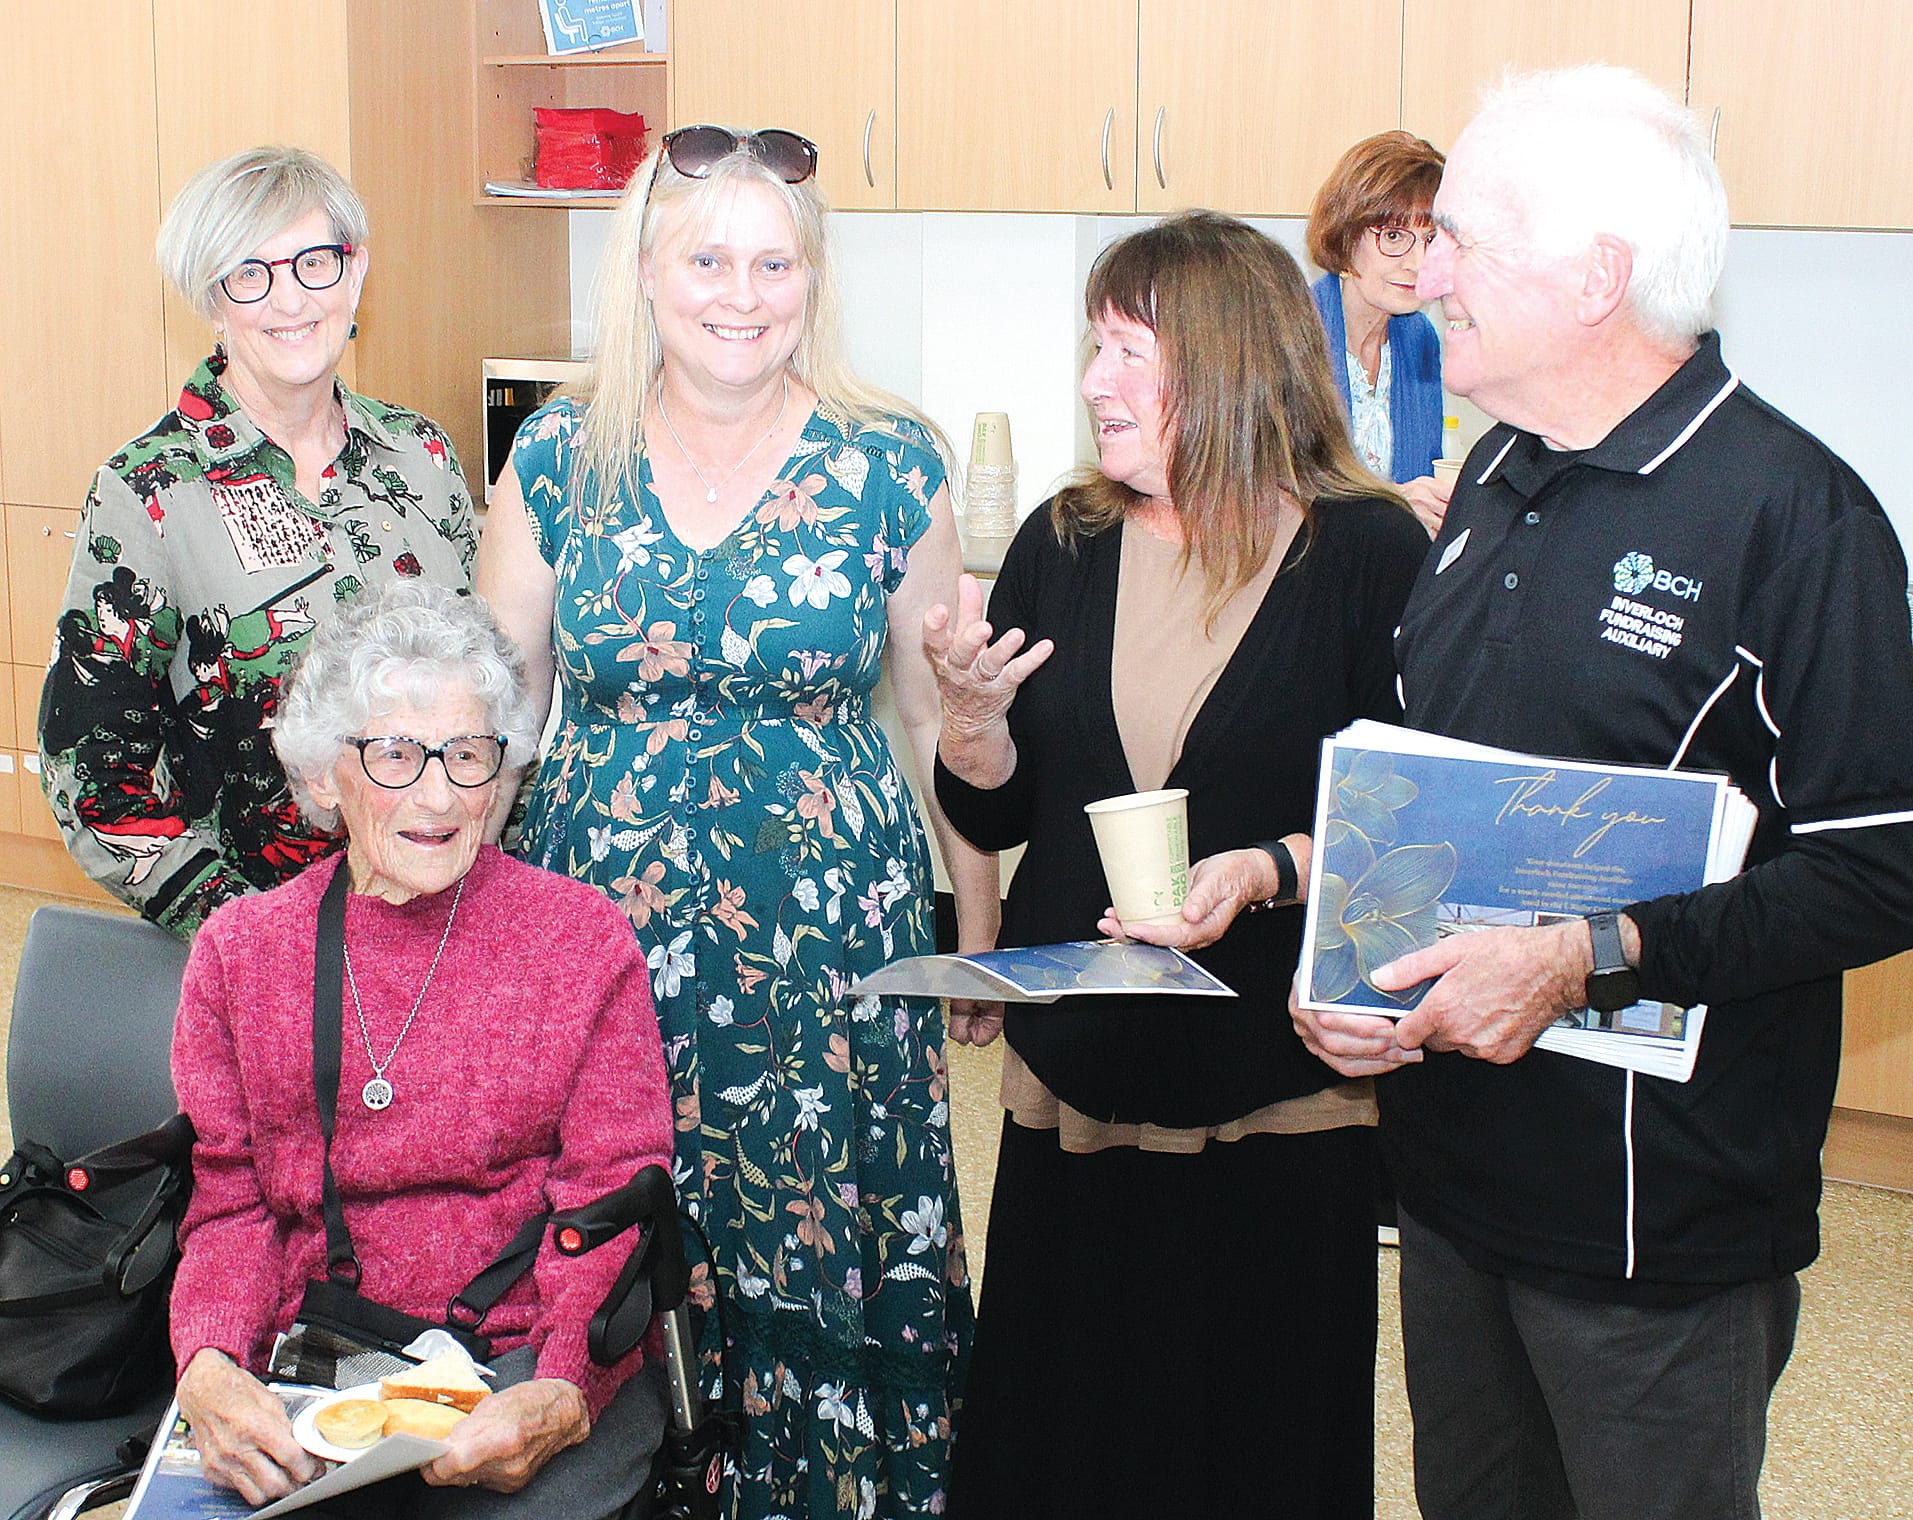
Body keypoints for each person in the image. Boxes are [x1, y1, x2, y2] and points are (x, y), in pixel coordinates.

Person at [1292, 66, 1913, 1520]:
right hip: (1451, 1189)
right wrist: (1337, 941)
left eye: (1459, 239)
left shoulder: (1795, 521)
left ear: (1594, 278)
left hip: (1657, 1226)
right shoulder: (1496, 469)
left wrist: (1589, 957)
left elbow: (1880, 867)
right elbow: (1428, 774)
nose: (1424, 271)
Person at [476, 126, 991, 1518]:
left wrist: (977, 932)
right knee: (623, 1215)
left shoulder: (893, 462)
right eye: (707, 256)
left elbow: (937, 715)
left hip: (828, 945)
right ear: (644, 270)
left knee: (815, 1226)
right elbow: (500, 716)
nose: (741, 290)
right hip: (601, 935)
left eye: (775, 261)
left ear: (814, 280)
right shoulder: (554, 460)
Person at [926, 211, 1429, 1519]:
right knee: (1070, 1430)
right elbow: (998, 815)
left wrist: (1265, 869)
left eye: (1130, 352)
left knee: (1252, 1432)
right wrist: (971, 734)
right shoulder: (1064, 539)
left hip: (1276, 1082)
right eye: (1094, 347)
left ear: (1232, 364)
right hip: (1081, 1072)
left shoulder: (1368, 552)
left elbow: (1416, 837)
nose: (1095, 382)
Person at [169, 579, 674, 1516]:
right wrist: (209, 1362)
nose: (440, 794)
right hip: (316, 1361)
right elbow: (229, 1206)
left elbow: (615, 1198)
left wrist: (564, 1385)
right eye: (397, 754)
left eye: (469, 754)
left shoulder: (580, 941)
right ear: (324, 774)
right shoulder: (242, 953)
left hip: (517, 1357)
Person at [39, 145, 478, 938]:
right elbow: (93, 777)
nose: (289, 299)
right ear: (214, 299)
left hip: (446, 927)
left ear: (355, 273)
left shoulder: (423, 455)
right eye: (250, 273)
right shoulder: (150, 491)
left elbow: (486, 700)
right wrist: (252, 935)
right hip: (267, 948)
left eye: (314, 262)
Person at [1307, 130, 1450, 535]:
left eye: (1430, 239)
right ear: (1346, 234)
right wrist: (1396, 503)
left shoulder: (1419, 338)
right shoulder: (1292, 335)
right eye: (1393, 237)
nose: (1418, 263)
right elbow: (1268, 494)